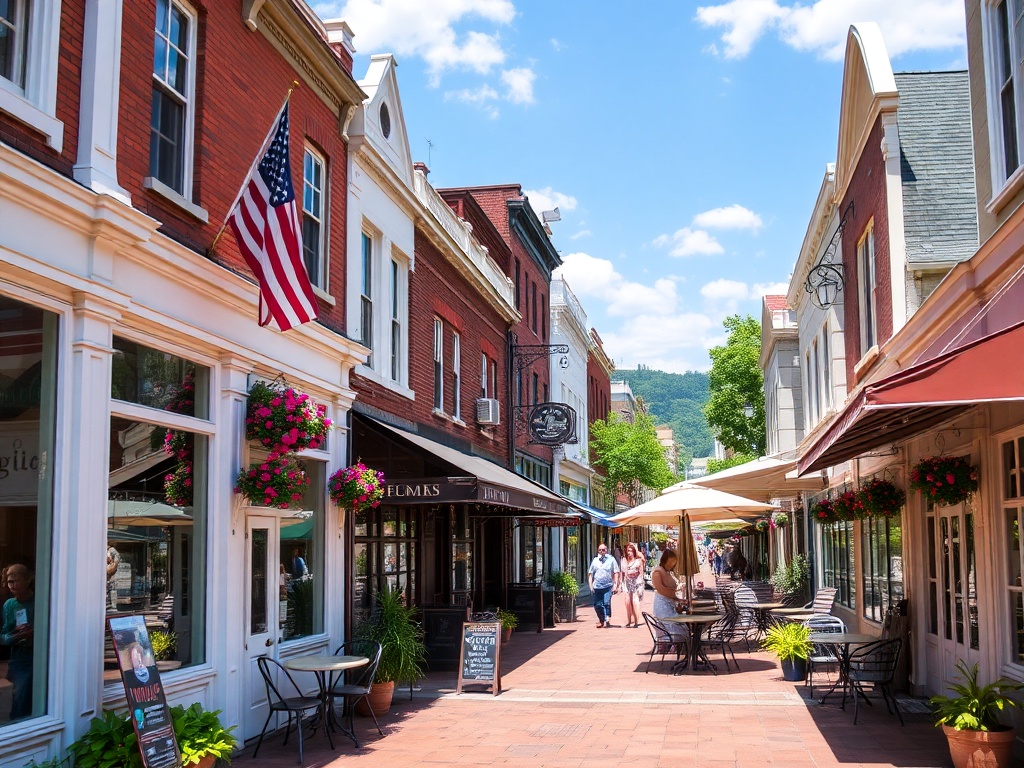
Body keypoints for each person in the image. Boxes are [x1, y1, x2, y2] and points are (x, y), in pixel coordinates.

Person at [1, 564, 35, 720]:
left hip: (38, 654)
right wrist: (14, 636)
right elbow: (4, 635)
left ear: (28, 580)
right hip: (20, 657)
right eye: (9, 582)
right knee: (20, 696)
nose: (12, 585)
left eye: (16, 581)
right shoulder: (10, 605)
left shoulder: (39, 601)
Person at [651, 551, 687, 643]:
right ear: (664, 560)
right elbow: (661, 590)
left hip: (669, 605)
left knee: (684, 626)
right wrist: (676, 595)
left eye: (673, 562)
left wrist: (679, 600)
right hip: (662, 606)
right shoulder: (657, 572)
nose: (672, 565)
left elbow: (671, 594)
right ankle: (675, 647)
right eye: (670, 562)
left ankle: (681, 648)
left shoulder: (668, 572)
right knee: (680, 629)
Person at [587, 543, 620, 628]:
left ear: (606, 550)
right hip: (597, 586)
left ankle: (606, 619)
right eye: (600, 550)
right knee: (597, 605)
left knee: (606, 602)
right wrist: (590, 585)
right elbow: (590, 573)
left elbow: (616, 572)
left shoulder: (611, 559)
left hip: (608, 585)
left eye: (603, 549)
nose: (601, 551)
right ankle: (601, 619)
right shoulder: (595, 560)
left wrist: (615, 584)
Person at [620, 543, 645, 628]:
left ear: (634, 552)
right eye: (628, 551)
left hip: (636, 583)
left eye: (631, 551)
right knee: (627, 602)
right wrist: (620, 584)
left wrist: (641, 586)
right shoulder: (624, 560)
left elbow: (641, 573)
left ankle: (636, 622)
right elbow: (622, 573)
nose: (629, 552)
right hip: (627, 582)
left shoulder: (638, 561)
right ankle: (629, 621)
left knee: (635, 601)